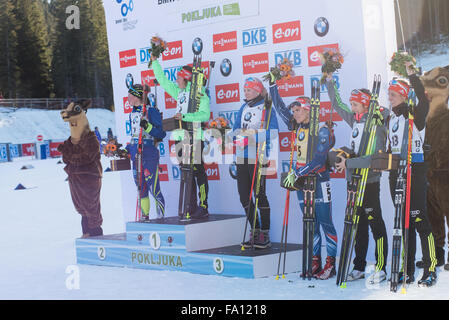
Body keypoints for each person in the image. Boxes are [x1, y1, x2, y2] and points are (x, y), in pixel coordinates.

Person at [324, 73, 390, 284]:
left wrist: (348, 163)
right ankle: (359, 266)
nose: (351, 107)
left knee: (375, 224)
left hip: (369, 182)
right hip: (353, 182)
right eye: (351, 104)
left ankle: (381, 267)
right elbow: (337, 104)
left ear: (365, 105)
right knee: (358, 226)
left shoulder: (376, 125)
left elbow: (373, 158)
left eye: (355, 104)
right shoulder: (355, 120)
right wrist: (329, 81)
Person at [270, 79, 338, 279]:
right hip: (302, 182)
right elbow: (281, 109)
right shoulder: (296, 126)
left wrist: (298, 172)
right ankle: (315, 261)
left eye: (298, 110)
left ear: (308, 110)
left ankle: (330, 264)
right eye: (295, 111)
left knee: (326, 222)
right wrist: (273, 85)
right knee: (310, 222)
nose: (294, 114)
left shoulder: (323, 130)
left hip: (319, 179)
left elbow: (318, 160)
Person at [386, 61, 438, 287]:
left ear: (403, 95)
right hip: (396, 172)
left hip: (415, 170)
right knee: (403, 221)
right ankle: (407, 271)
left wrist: (412, 75)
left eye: (393, 94)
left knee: (419, 220)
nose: (390, 97)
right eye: (389, 94)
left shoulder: (414, 114)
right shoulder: (391, 119)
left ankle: (431, 268)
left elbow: (423, 99)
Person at [150, 54, 210, 219]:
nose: (176, 81)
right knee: (185, 173)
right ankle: (189, 207)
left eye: (178, 78)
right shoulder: (180, 93)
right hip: (180, 138)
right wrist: (155, 61)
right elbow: (162, 80)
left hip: (195, 137)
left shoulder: (199, 94)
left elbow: (205, 115)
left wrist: (184, 117)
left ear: (186, 79)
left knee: (197, 172)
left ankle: (203, 206)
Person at [232, 77, 278, 249]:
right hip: (242, 157)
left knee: (259, 195)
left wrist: (250, 139)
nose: (246, 93)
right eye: (244, 90)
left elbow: (272, 132)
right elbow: (236, 128)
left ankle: (264, 234)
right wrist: (229, 136)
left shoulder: (266, 108)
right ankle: (255, 230)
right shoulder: (243, 107)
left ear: (258, 91)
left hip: (258, 156)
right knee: (244, 196)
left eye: (249, 90)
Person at [125, 84, 166, 221]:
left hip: (148, 153)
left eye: (130, 95)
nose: (128, 98)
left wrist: (148, 127)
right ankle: (145, 216)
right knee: (141, 188)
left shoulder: (151, 111)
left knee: (153, 187)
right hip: (136, 155)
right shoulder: (132, 114)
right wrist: (128, 149)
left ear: (138, 96)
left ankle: (160, 216)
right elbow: (134, 136)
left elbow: (161, 133)